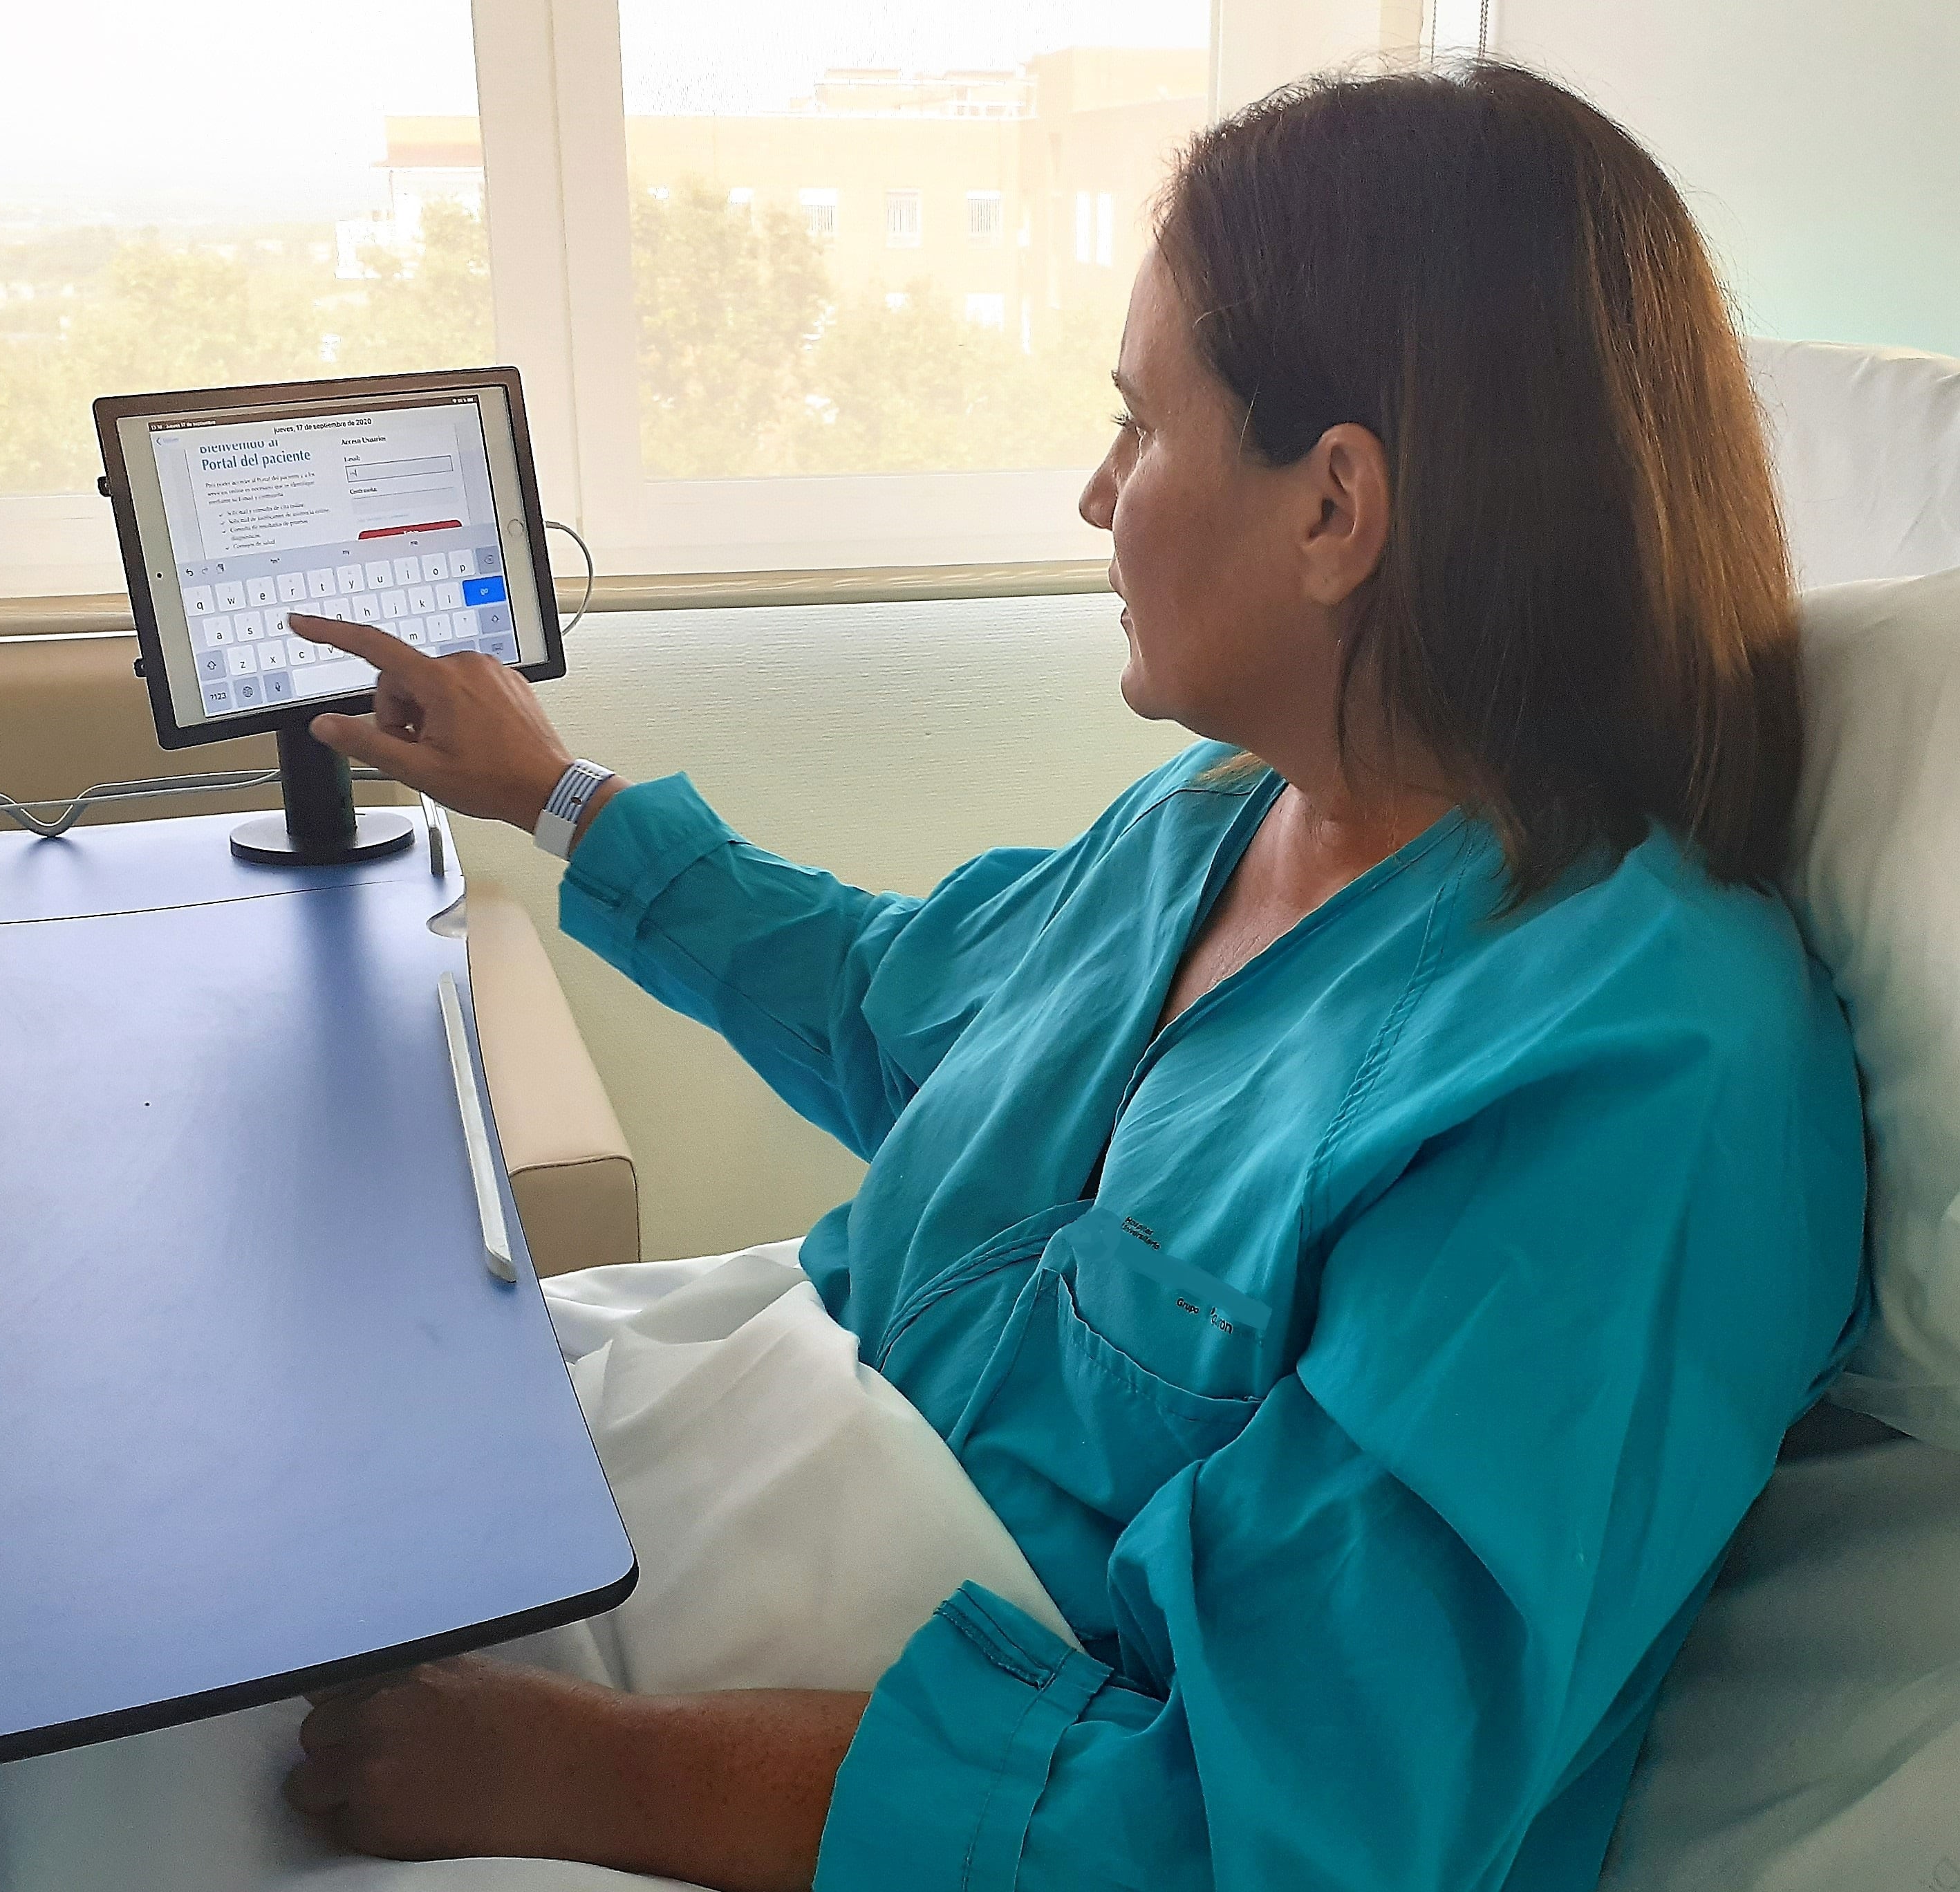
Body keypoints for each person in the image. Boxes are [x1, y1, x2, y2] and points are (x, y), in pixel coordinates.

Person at [282, 61, 1869, 1892]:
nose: (1094, 495)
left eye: (1138, 427)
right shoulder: (1209, 824)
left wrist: (575, 1778)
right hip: (684, 1506)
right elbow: (906, 1007)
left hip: (809, 1757)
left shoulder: (1635, 1080)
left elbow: (1256, 1819)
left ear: (1333, 509)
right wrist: (552, 795)